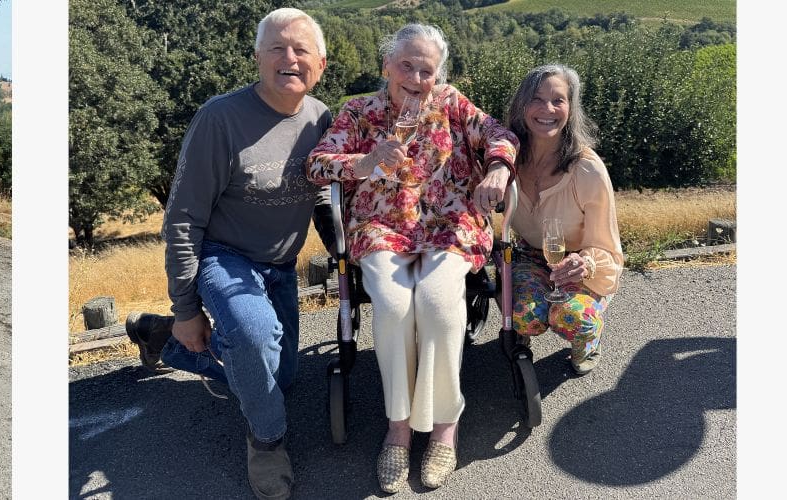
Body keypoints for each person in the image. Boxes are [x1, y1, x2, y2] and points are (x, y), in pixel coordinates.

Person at [125, 8, 331, 500]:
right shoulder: (220, 118)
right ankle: (267, 442)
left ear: (320, 63)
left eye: (301, 49)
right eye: (277, 48)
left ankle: (161, 339)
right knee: (254, 342)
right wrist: (188, 308)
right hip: (225, 258)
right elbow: (182, 219)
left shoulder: (321, 117)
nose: (289, 59)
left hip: (280, 266)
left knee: (279, 379)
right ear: (258, 57)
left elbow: (323, 191)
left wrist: (347, 247)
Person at [306, 23, 518, 492]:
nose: (418, 78)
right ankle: (399, 428)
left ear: (438, 75)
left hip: (449, 226)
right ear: (387, 66)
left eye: (428, 70)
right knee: (395, 304)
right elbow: (317, 163)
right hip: (382, 229)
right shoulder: (359, 111)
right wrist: (362, 163)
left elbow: (500, 134)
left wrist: (499, 169)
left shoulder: (452, 104)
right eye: (408, 66)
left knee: (440, 303)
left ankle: (445, 426)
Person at [502, 64, 622, 376]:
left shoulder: (587, 170)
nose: (548, 109)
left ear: (571, 107)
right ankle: (523, 332)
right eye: (537, 99)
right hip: (530, 255)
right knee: (525, 316)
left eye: (559, 100)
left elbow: (609, 249)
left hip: (576, 265)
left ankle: (587, 342)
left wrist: (586, 263)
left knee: (571, 317)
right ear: (521, 106)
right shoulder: (506, 157)